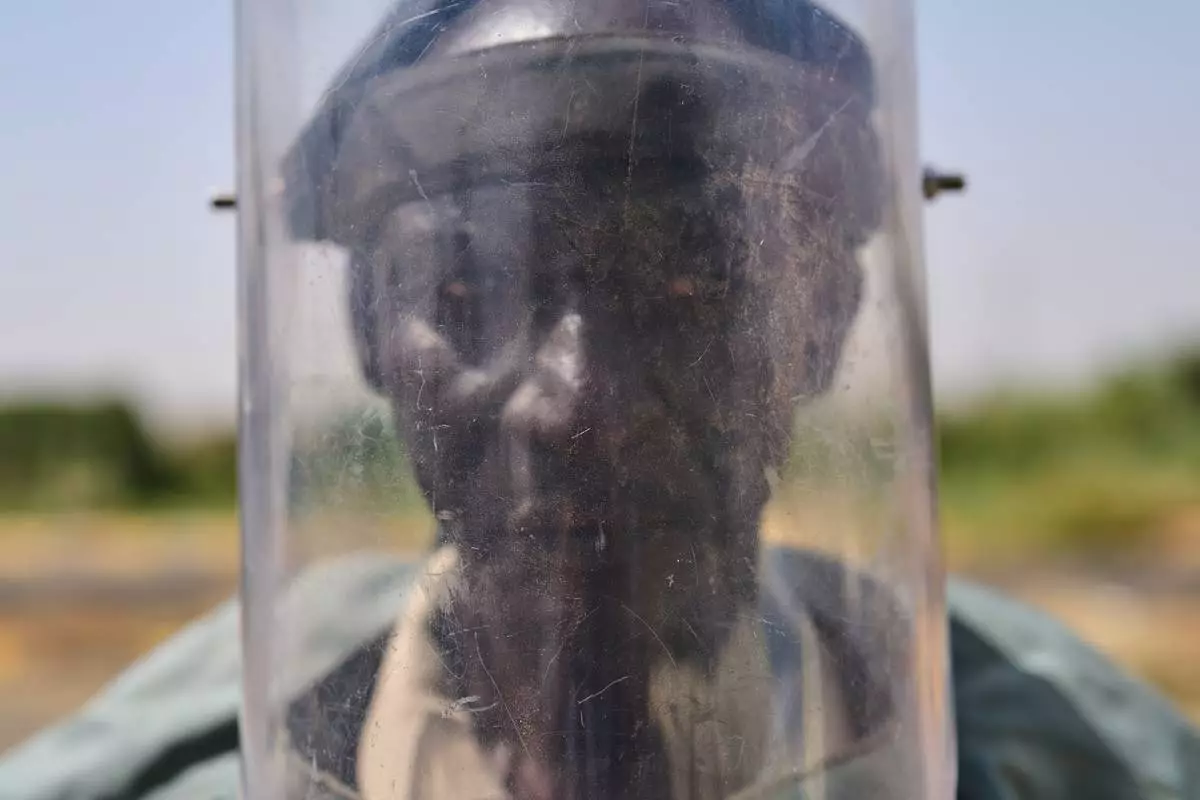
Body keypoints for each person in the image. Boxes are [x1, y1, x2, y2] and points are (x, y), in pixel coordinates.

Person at [2, 1, 1197, 798]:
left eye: (696, 291)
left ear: (824, 322)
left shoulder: (1075, 761)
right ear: (367, 330)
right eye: (467, 292)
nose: (577, 405)